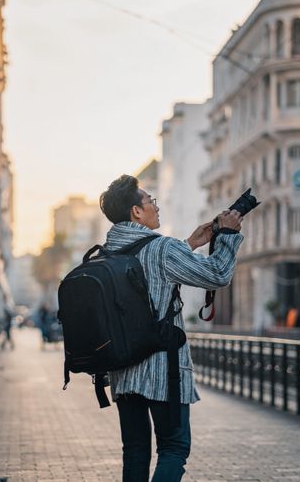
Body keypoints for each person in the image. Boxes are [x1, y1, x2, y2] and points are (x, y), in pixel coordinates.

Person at [99, 174, 244, 482]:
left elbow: (152, 271)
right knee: (173, 448)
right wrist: (228, 236)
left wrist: (190, 244)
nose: (155, 205)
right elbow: (217, 274)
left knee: (135, 451)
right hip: (163, 371)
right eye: (150, 200)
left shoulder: (106, 252)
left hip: (122, 371)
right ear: (136, 212)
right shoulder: (161, 248)